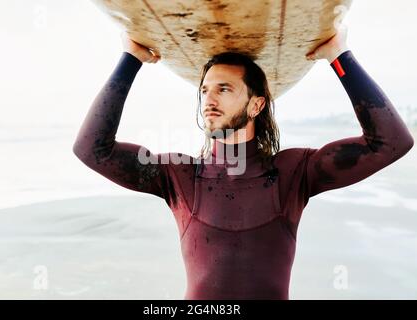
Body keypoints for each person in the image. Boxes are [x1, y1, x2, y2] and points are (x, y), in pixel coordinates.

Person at [72, 26, 414, 299]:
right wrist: (131, 58)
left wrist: (338, 55)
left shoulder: (292, 172)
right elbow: (92, 149)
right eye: (204, 90)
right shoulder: (179, 175)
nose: (208, 99)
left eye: (224, 89)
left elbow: (391, 142)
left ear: (256, 105)